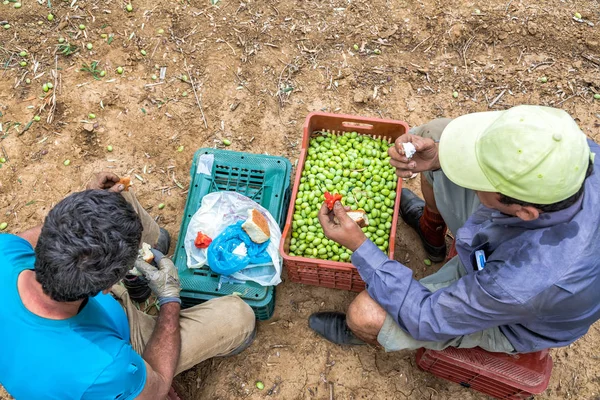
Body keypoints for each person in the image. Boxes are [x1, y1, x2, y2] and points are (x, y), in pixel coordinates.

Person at [308, 105, 600, 354]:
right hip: (506, 241)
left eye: (479, 181)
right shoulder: (572, 152)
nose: (468, 179)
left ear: (524, 211)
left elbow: (425, 316)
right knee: (436, 134)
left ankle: (368, 335)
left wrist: (361, 246)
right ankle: (430, 229)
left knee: (365, 314)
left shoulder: (519, 283)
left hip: (510, 317)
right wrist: (437, 159)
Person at [0, 172, 256, 399]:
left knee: (117, 200)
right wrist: (168, 301)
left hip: (91, 326)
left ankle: (155, 244)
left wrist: (89, 202)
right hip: (114, 353)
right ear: (107, 287)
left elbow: (43, 235)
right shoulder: (105, 365)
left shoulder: (5, 253)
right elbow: (156, 389)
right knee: (238, 316)